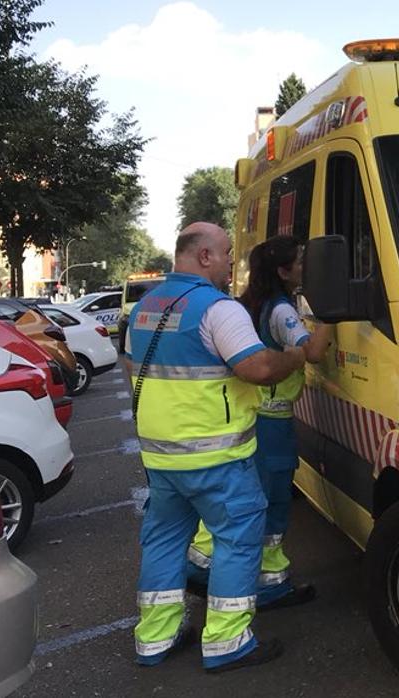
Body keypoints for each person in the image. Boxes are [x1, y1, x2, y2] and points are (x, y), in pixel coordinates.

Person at [126, 223, 306, 673]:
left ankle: (156, 637)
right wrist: (294, 357)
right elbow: (258, 367)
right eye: (227, 253)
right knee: (237, 540)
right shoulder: (218, 309)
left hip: (161, 457)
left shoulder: (145, 307)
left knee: (164, 541)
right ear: (204, 256)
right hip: (216, 457)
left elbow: (136, 367)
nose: (232, 263)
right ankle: (227, 640)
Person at [186, 236, 333, 609]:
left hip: (253, 416)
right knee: (274, 500)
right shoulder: (281, 310)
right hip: (273, 420)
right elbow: (312, 353)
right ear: (283, 271)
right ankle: (266, 583)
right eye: (300, 262)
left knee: (248, 498)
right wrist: (333, 313)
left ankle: (206, 565)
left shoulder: (250, 304)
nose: (305, 268)